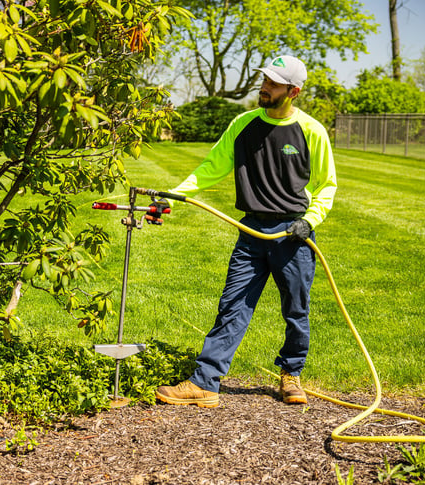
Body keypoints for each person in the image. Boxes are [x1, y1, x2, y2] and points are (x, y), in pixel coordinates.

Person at [154, 55, 337, 408]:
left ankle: (291, 375)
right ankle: (205, 382)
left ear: (293, 91)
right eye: (264, 80)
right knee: (233, 306)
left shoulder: (311, 130)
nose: (264, 87)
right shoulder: (243, 124)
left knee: (295, 309)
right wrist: (172, 199)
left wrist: (309, 221)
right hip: (251, 230)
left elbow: (327, 185)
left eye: (273, 83)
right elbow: (210, 168)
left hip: (294, 235)